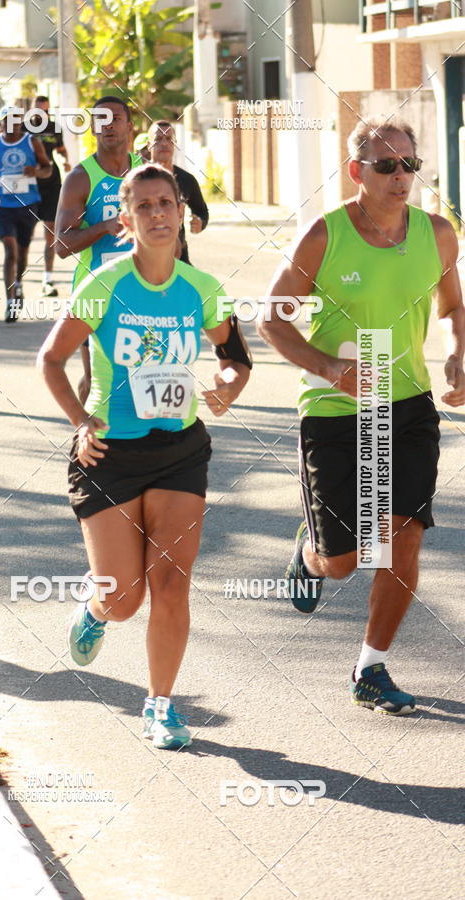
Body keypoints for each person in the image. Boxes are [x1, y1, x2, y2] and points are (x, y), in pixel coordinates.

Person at [39, 163, 252, 749]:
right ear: (127, 219)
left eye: (167, 204)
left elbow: (236, 356)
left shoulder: (202, 290)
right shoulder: (105, 284)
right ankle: (96, 608)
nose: (158, 215)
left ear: (182, 211)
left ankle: (160, 705)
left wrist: (227, 385)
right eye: (145, 207)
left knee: (172, 584)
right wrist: (81, 421)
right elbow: (51, 361)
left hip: (180, 449)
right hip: (110, 454)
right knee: (124, 597)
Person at [258, 116, 465, 715]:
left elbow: (455, 308)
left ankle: (370, 667)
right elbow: (271, 318)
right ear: (358, 172)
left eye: (409, 164)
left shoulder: (438, 235)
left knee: (404, 540)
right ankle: (310, 555)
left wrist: (457, 356)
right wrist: (330, 369)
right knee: (343, 563)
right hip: (335, 411)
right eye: (386, 165)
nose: (401, 176)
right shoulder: (325, 236)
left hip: (408, 407)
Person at [55, 95, 142, 402]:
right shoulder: (81, 178)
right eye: (101, 120)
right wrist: (103, 228)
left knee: (144, 376)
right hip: (96, 290)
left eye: (116, 118)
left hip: (142, 288)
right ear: (92, 128)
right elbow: (61, 245)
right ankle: (83, 439)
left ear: (130, 127)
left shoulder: (147, 174)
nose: (108, 126)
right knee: (96, 382)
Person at [0, 106, 52, 322]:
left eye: (16, 121)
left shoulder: (32, 141)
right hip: (3, 205)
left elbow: (47, 168)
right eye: (7, 121)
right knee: (10, 251)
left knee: (22, 252)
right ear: (0, 124)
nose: (12, 125)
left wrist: (36, 171)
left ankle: (19, 283)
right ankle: (10, 302)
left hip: (27, 204)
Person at [148, 120, 209, 264]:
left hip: (179, 258)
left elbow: (201, 211)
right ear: (148, 144)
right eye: (158, 139)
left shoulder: (187, 180)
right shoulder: (137, 179)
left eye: (169, 139)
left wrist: (199, 222)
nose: (164, 143)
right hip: (145, 259)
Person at [27, 95, 70, 298]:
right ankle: (17, 279)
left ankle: (47, 277)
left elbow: (61, 150)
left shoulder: (55, 128)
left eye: (45, 111)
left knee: (51, 231)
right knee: (23, 234)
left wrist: (66, 161)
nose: (41, 115)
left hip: (52, 182)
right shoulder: (24, 128)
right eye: (38, 110)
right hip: (29, 183)